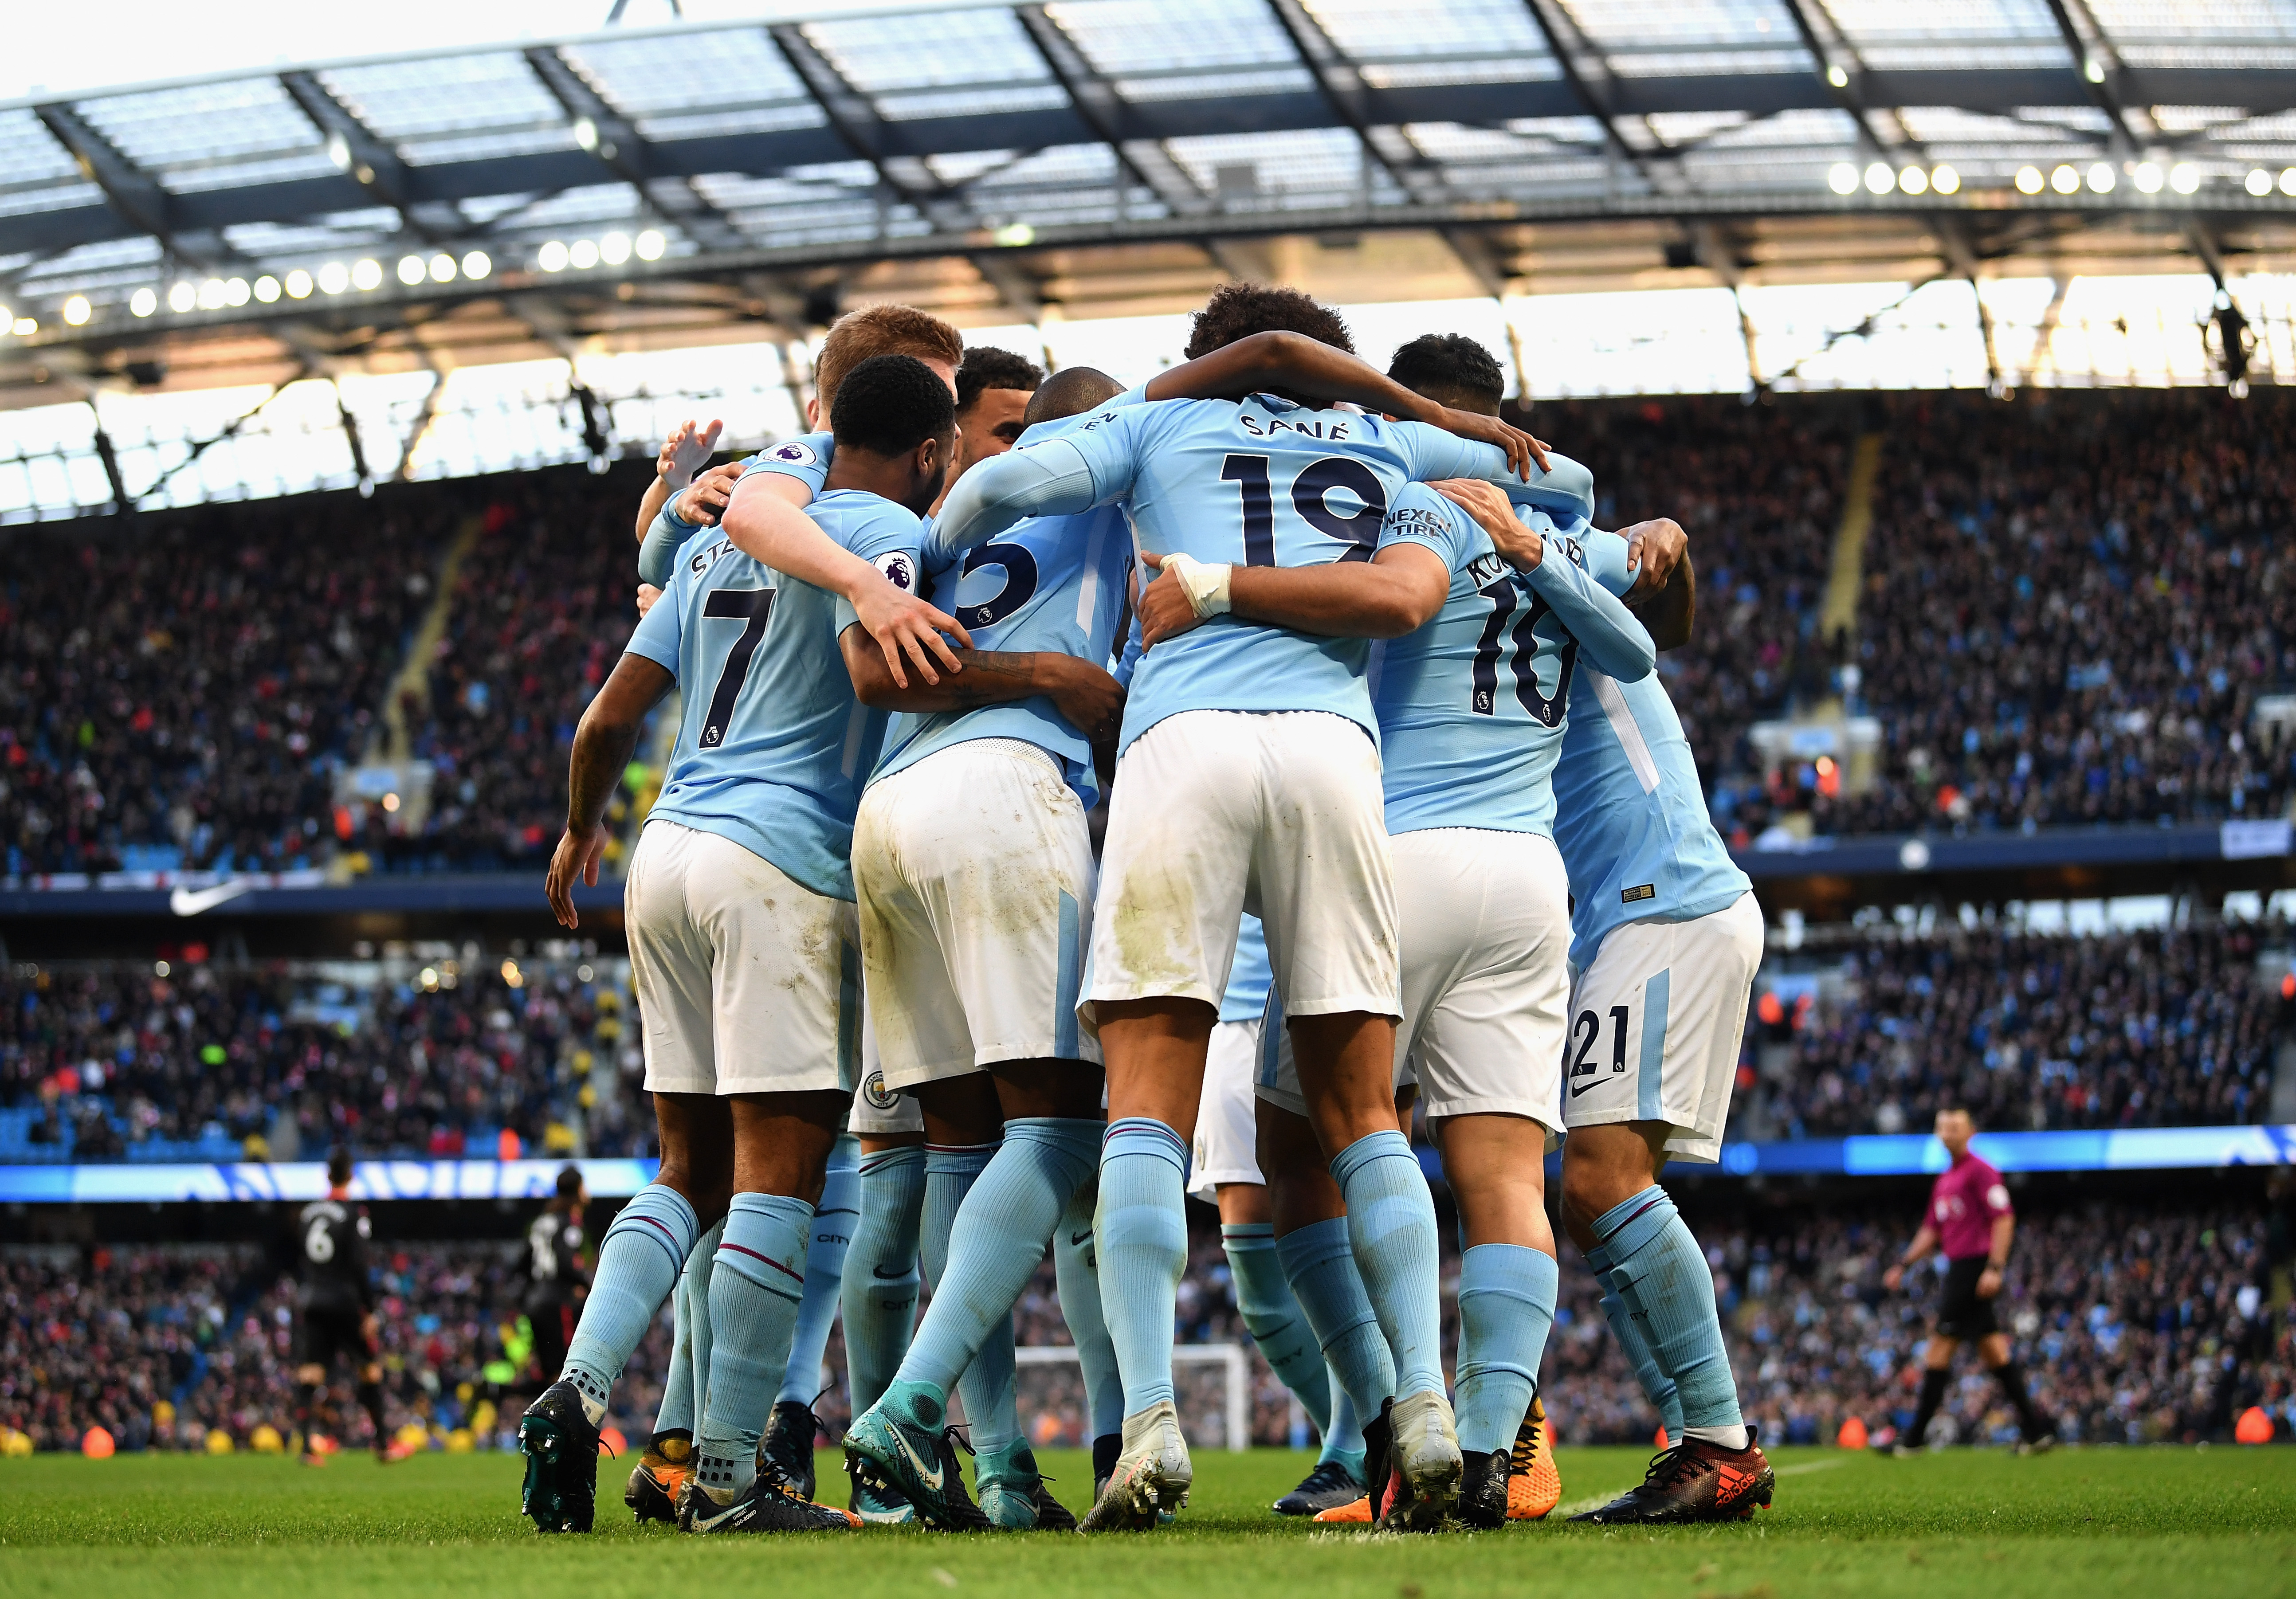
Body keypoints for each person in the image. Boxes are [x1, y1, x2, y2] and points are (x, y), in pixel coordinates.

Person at [934, 282, 1556, 1532]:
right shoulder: (1387, 440)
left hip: (1185, 742)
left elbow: (992, 496)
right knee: (1359, 1107)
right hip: (1333, 748)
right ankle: (1423, 1406)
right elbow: (1569, 485)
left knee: (1148, 1095)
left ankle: (1152, 1414)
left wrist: (935, 536)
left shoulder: (1154, 426)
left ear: (1196, 358)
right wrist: (1441, 429)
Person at [1167, 332, 1652, 1528]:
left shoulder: (1387, 518)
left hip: (1394, 858)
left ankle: (1397, 1413)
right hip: (1527, 878)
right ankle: (1489, 1452)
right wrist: (1552, 537)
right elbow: (1640, 645)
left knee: (1297, 1150)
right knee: (1502, 1176)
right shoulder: (1560, 538)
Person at [528, 353, 967, 1536]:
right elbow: (883, 663)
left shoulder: (722, 536)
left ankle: (574, 1389)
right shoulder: (889, 537)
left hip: (663, 852)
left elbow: (609, 712)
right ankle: (725, 1478)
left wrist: (578, 830)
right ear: (931, 452)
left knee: (686, 1166)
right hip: (779, 863)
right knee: (779, 1171)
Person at [1535, 512, 1775, 1525]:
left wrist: (1667, 547)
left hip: (1662, 901)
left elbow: (1659, 615)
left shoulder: (1532, 562)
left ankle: (1716, 1443)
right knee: (1586, 1198)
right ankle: (1695, 1443)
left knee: (1599, 1181)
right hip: (1629, 916)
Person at [1187, 914, 1372, 1517]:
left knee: (1333, 1208)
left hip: (1321, 984)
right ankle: (1364, 1434)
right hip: (1226, 1000)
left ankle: (1349, 1451)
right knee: (1260, 1291)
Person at [1883, 1108, 2054, 1454]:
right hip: (1959, 1267)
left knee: (1938, 1350)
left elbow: (2003, 1219)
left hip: (1972, 1270)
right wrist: (1903, 1263)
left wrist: (1994, 1267)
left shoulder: (1981, 1171)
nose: (1948, 1133)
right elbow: (1932, 1229)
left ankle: (1913, 1439)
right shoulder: (1945, 1179)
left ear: (1970, 1132)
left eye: (1955, 1127)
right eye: (1943, 1127)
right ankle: (2037, 1433)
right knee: (1994, 1352)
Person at [293, 1148, 415, 1466]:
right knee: (370, 1370)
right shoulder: (352, 1214)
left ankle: (306, 1448)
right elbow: (359, 1265)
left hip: (312, 1298)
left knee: (310, 1373)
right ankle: (383, 1445)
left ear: (326, 1174)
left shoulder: (307, 1214)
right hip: (344, 1300)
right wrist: (370, 1310)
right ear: (350, 1175)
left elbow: (302, 1258)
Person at [524, 1167, 589, 1403]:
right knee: (568, 1369)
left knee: (549, 1373)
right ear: (578, 1190)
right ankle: (566, 1428)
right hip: (557, 1301)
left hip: (535, 1301)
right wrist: (588, 1286)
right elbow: (565, 1262)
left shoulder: (542, 1222)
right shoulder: (569, 1222)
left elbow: (524, 1262)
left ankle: (545, 1427)